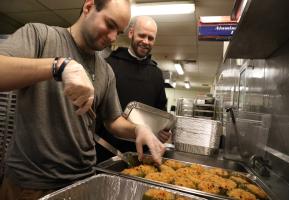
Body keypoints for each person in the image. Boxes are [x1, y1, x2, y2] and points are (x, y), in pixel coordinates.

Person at [0, 0, 165, 199]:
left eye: (118, 32)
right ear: (88, 7)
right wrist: (58, 67)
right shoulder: (40, 35)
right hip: (32, 184)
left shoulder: (106, 71)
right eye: (110, 25)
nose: (113, 37)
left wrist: (138, 129)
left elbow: (112, 120)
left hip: (84, 179)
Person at [96, 16, 171, 162]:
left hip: (142, 155)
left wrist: (162, 131)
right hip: (107, 151)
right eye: (142, 35)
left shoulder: (156, 74)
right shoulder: (109, 65)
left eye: (151, 38)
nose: (146, 41)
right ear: (131, 33)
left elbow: (160, 112)